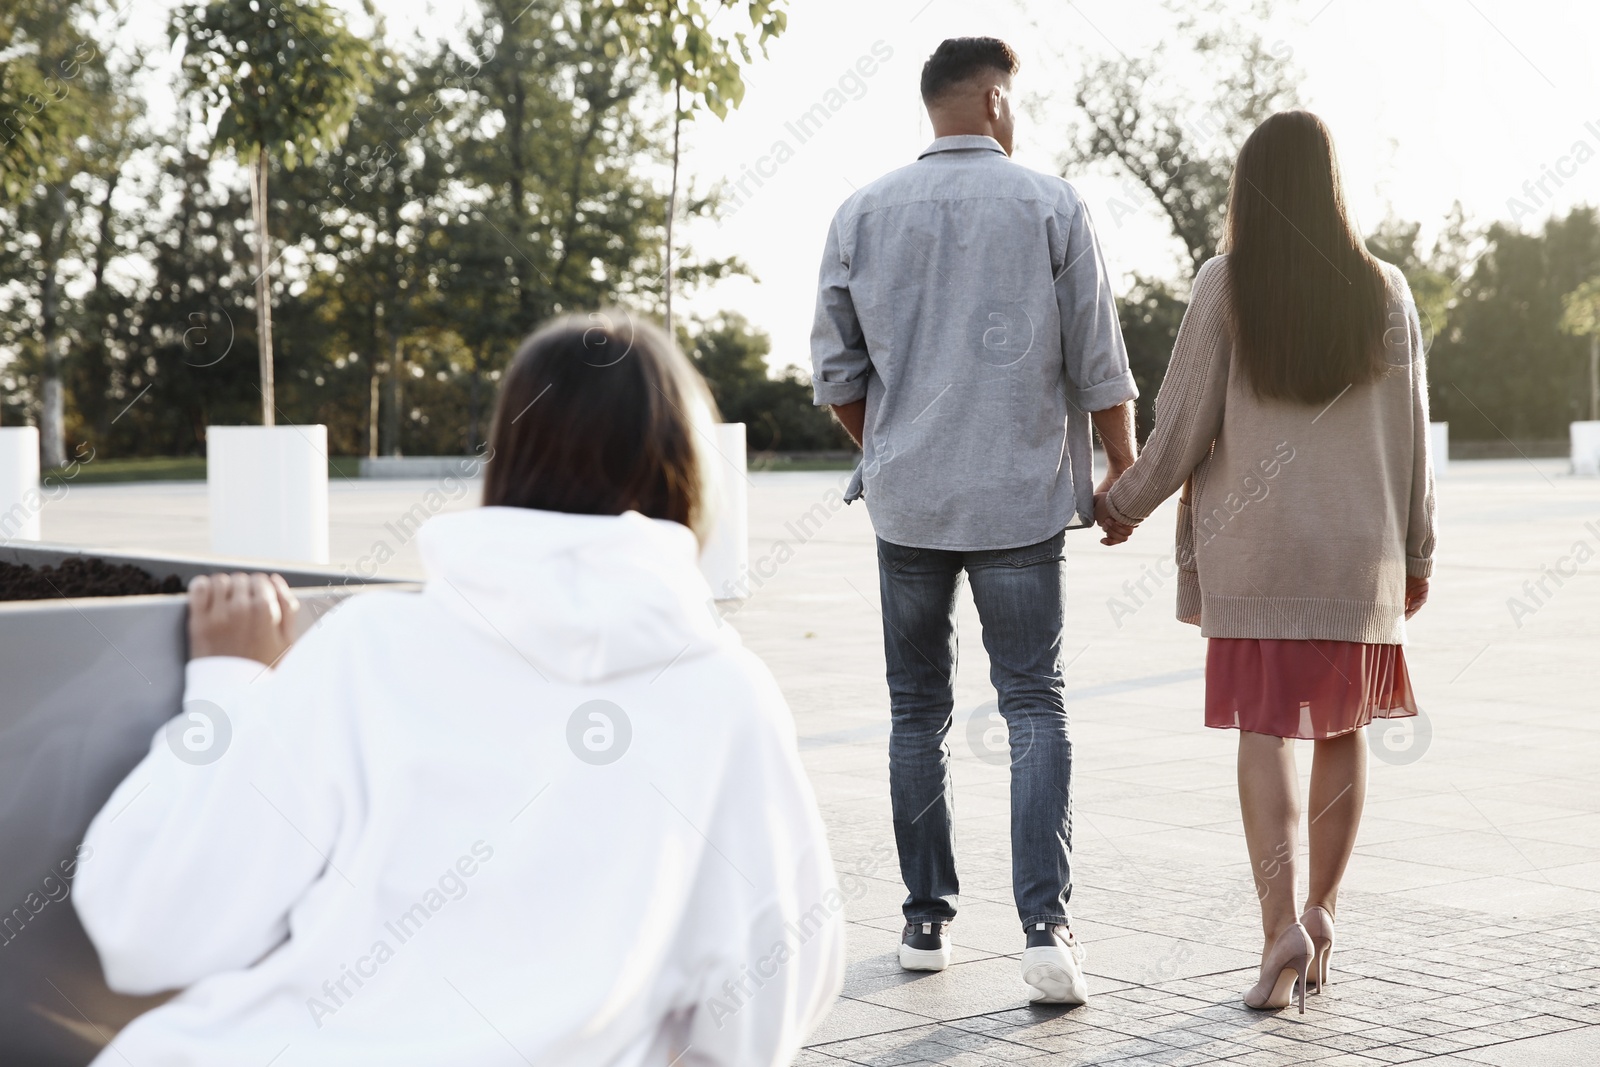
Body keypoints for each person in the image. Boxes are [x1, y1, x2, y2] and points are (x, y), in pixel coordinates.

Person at [73, 313, 845, 1065]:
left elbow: (146, 927)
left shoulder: (367, 649)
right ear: (690, 473)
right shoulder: (726, 697)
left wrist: (229, 686)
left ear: (507, 455)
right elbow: (772, 991)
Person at [810, 37, 1139, 1005]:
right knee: (1032, 701)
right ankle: (1045, 931)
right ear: (994, 100)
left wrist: (893, 441)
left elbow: (834, 371)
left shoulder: (860, 211)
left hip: (908, 504)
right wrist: (1122, 469)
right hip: (1017, 499)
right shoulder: (1049, 202)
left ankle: (923, 918)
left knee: (917, 708)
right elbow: (1098, 357)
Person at [1097, 110, 1435, 1013]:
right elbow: (1413, 441)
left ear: (1250, 191)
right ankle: (1323, 913)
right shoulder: (1388, 290)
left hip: (1261, 556)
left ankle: (1278, 925)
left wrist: (1121, 505)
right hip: (1358, 559)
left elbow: (1179, 428)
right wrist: (1418, 550)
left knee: (1265, 735)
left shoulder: (1225, 284)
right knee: (1341, 731)